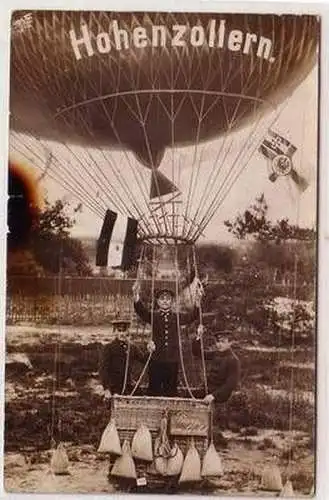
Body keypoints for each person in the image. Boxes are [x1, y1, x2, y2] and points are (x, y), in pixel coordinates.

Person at [132, 282, 203, 397]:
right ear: (158, 302)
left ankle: (169, 414)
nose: (165, 301)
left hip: (172, 360)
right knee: (154, 390)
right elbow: (141, 311)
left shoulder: (177, 317)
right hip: (156, 359)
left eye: (168, 299)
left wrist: (198, 300)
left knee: (170, 391)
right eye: (162, 299)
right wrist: (136, 294)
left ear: (172, 302)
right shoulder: (153, 316)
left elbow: (192, 316)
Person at [99, 318, 147, 398]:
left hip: (128, 384)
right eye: (119, 330)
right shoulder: (108, 348)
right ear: (115, 332)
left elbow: (144, 359)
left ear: (127, 331)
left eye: (124, 331)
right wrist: (107, 389)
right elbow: (103, 370)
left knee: (141, 397)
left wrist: (150, 350)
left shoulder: (132, 347)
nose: (122, 333)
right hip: (114, 386)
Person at [192, 326, 241, 404]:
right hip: (208, 391)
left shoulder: (233, 360)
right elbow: (197, 353)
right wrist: (199, 336)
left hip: (220, 396)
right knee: (183, 394)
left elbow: (230, 384)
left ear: (230, 343)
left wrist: (213, 396)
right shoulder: (216, 354)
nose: (219, 345)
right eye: (218, 342)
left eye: (223, 342)